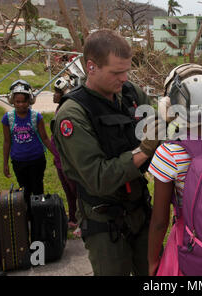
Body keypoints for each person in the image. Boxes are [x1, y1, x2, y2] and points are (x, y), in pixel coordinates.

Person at [52, 29, 157, 276]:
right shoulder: (73, 115)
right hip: (104, 222)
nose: (124, 78)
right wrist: (144, 150)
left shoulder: (130, 94)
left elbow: (156, 125)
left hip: (140, 211)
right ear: (91, 67)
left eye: (127, 70)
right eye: (116, 72)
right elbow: (97, 177)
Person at [147, 63, 202, 276]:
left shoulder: (169, 154)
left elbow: (159, 221)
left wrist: (152, 260)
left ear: (168, 105)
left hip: (189, 240)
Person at [2, 79, 54, 206]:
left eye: (24, 101)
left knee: (37, 190)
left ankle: (39, 219)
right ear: (12, 101)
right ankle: (27, 218)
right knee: (24, 191)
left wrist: (57, 155)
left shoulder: (36, 117)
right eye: (17, 102)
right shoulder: (8, 118)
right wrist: (5, 163)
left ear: (29, 100)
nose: (21, 105)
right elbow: (7, 142)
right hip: (19, 161)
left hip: (36, 160)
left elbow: (45, 138)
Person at [50, 77, 78, 229]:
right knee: (68, 193)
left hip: (68, 162)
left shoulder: (67, 111)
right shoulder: (59, 108)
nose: (54, 95)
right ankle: (73, 218)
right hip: (59, 161)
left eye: (57, 92)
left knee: (76, 192)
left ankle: (82, 222)